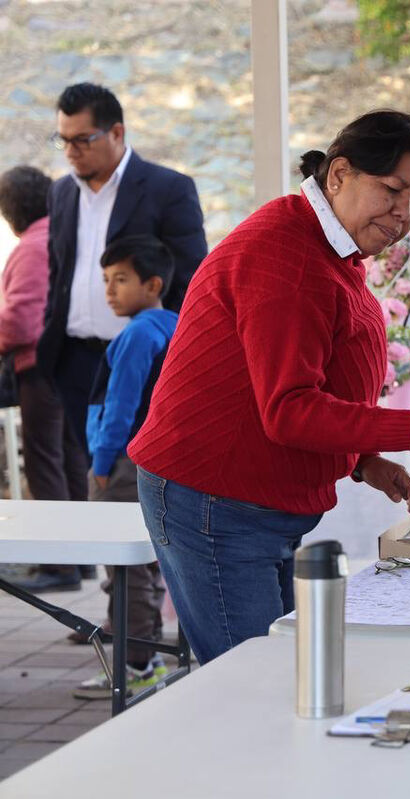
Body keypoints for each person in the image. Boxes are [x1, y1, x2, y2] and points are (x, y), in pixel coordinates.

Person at [127, 110, 410, 664]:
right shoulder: (287, 254)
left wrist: (364, 458)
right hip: (216, 498)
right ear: (339, 174)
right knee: (255, 681)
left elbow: (297, 380)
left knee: (284, 670)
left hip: (246, 500)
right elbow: (289, 409)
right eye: (393, 191)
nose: (402, 215)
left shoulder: (325, 244)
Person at [31, 82, 207, 592]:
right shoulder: (61, 190)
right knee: (97, 484)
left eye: (82, 139)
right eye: (61, 139)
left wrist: (168, 348)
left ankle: (142, 625)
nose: (70, 151)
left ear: (117, 132)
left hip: (145, 363)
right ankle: (118, 610)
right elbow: (60, 270)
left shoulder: (167, 188)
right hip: (77, 361)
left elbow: (193, 279)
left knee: (141, 491)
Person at [70, 235, 176, 699]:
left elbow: (120, 405)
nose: (110, 290)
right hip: (159, 461)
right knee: (145, 563)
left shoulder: (137, 334)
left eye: (121, 280)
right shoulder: (174, 325)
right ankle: (141, 656)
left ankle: (136, 664)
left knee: (124, 566)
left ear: (152, 284)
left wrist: (101, 461)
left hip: (122, 464)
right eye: (106, 280)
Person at [0, 165, 91, 592]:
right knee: (72, 459)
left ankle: (59, 565)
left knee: (45, 461)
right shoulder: (65, 234)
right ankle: (85, 556)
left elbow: (20, 320)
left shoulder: (34, 244)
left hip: (41, 367)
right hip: (72, 366)